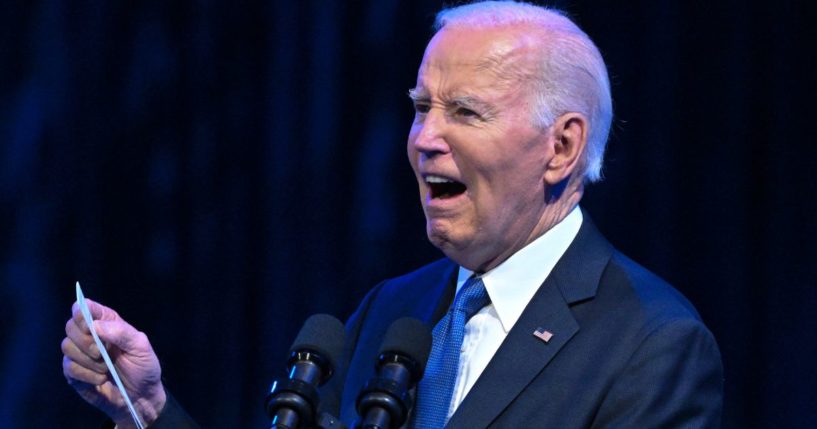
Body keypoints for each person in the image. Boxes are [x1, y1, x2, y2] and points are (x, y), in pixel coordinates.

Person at [62, 1, 724, 428]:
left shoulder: (652, 344)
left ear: (562, 146)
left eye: (464, 111)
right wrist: (145, 409)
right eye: (419, 107)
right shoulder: (391, 312)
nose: (424, 138)